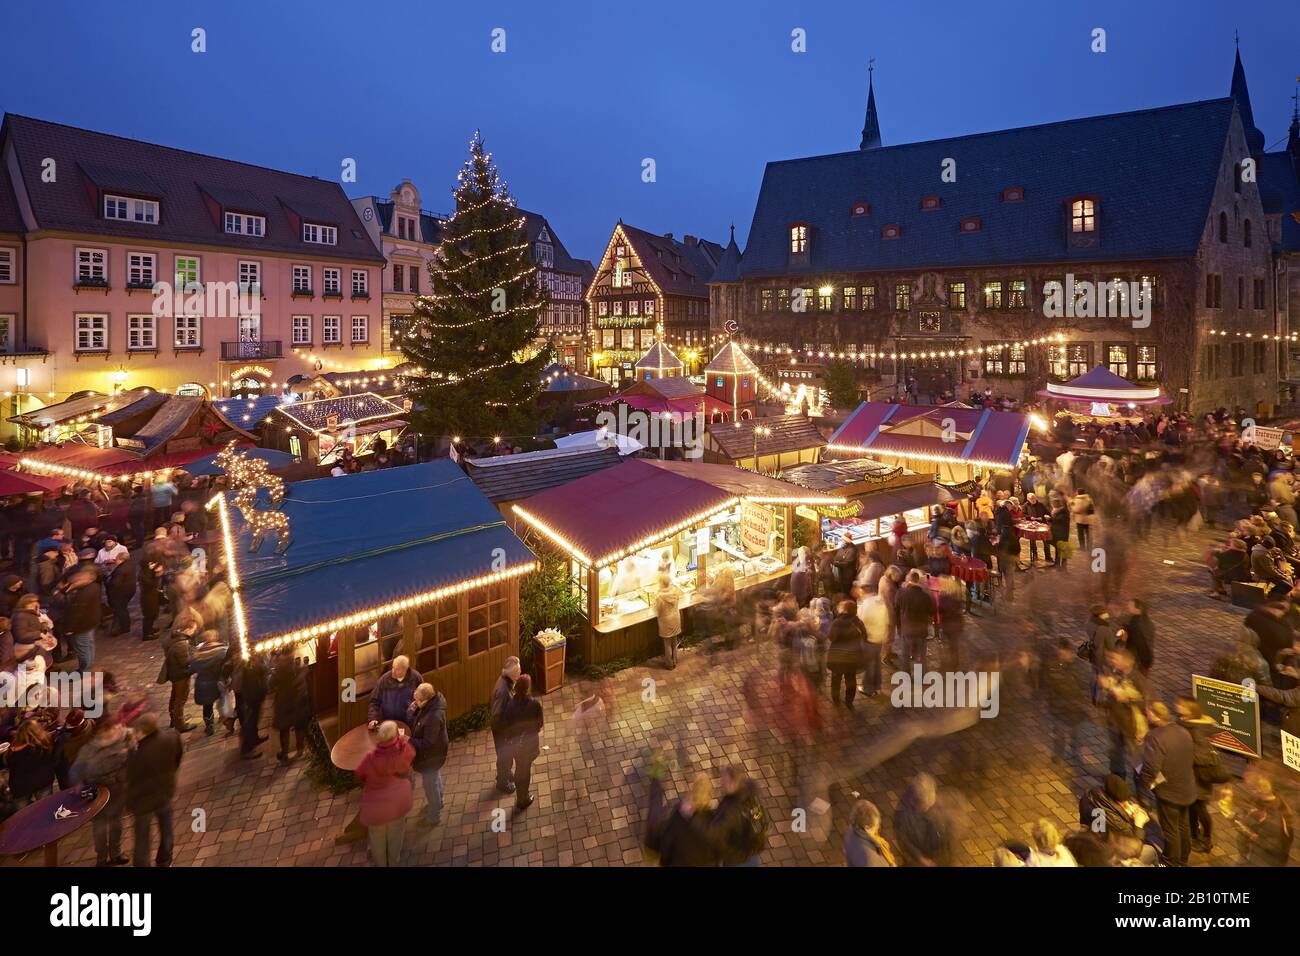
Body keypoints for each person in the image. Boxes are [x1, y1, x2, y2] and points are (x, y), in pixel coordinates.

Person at [1138, 700, 1197, 866]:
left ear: (1156, 716)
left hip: (1169, 792)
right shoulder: (1183, 730)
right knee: (1183, 825)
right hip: (1187, 788)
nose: (1146, 715)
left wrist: (1145, 783)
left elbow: (1151, 767)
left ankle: (1170, 860)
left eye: (1149, 713)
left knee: (1170, 829)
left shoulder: (1155, 737)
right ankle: (1184, 857)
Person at [70, 714, 133, 866]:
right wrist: (78, 783)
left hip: (117, 791)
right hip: (98, 792)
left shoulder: (123, 742)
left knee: (116, 823)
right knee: (99, 826)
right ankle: (102, 858)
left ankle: (116, 853)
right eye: (114, 728)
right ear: (104, 731)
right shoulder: (90, 748)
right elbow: (75, 769)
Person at [125, 711, 184, 867]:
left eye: (137, 732)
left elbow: (130, 777)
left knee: (142, 839)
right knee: (167, 830)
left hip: (142, 802)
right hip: (164, 794)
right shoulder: (172, 737)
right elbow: (178, 758)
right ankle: (165, 861)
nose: (135, 735)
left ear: (144, 731)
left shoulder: (137, 753)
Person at [354, 720, 414, 866]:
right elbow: (411, 755)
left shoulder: (370, 759)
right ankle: (394, 862)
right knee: (396, 836)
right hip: (398, 804)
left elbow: (359, 775)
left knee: (377, 839)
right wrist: (400, 741)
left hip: (376, 809)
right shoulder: (403, 751)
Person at [1175, 697, 1225, 854]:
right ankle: (1194, 833)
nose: (1177, 705)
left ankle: (1206, 839)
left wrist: (1187, 753)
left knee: (1200, 808)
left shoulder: (1196, 730)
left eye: (1181, 704)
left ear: (1190, 710)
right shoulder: (1186, 724)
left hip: (1199, 778)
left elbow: (1202, 756)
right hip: (1191, 777)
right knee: (1192, 807)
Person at [1222, 766, 1294, 866]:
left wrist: (1231, 816)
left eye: (1255, 786)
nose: (1253, 789)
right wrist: (1231, 808)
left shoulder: (1275, 816)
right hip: (1250, 856)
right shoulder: (1260, 801)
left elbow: (1272, 846)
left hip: (1261, 861)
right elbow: (1248, 818)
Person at [645, 771, 717, 866]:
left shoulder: (680, 815)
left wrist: (663, 861)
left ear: (693, 789)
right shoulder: (713, 819)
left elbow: (667, 842)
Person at [407, 682, 448, 827]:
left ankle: (434, 815)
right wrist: (413, 710)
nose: (415, 703)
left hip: (431, 756)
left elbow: (428, 743)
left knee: (430, 784)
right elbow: (417, 721)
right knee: (434, 778)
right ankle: (439, 801)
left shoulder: (433, 717)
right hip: (433, 756)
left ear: (426, 700)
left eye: (417, 701)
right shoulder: (429, 707)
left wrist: (409, 740)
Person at [893, 772, 951, 867]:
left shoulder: (935, 805)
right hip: (916, 860)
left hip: (933, 854)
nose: (929, 803)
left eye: (930, 800)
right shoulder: (904, 814)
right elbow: (903, 838)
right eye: (924, 803)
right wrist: (920, 858)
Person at [504, 673, 543, 811]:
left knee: (521, 767)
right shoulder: (534, 704)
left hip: (515, 745)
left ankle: (521, 793)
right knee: (524, 771)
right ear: (527, 688)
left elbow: (507, 726)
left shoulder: (510, 705)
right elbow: (540, 724)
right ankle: (522, 799)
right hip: (529, 745)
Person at [269, 650, 313, 763]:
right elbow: (300, 677)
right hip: (296, 699)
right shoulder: (294, 664)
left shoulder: (278, 667)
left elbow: (271, 684)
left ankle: (284, 753)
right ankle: (300, 750)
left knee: (284, 729)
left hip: (283, 701)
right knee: (299, 726)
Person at [3, 719, 58, 802]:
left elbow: (8, 763)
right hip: (43, 781)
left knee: (23, 813)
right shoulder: (45, 744)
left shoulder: (14, 752)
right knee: (46, 807)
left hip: (21, 787)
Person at [826, 599, 867, 708]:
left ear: (843, 610)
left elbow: (831, 637)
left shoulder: (836, 622)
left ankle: (835, 699)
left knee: (836, 678)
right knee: (850, 679)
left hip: (837, 656)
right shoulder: (858, 622)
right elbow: (864, 635)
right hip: (852, 657)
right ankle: (849, 701)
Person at [161, 613, 198, 732]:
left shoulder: (173, 637)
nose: (194, 631)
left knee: (174, 696)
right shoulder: (181, 644)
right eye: (193, 629)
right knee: (180, 700)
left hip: (173, 672)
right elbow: (185, 662)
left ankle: (174, 719)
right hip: (181, 675)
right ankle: (180, 724)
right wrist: (195, 655)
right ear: (187, 629)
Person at [490, 657, 521, 793]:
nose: (520, 672)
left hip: (504, 730)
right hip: (502, 731)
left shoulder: (506, 681)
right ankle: (502, 783)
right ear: (512, 673)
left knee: (506, 755)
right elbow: (497, 716)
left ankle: (506, 774)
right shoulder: (503, 691)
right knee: (505, 756)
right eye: (518, 670)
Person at [366, 655, 422, 728]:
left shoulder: (416, 678)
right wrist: (372, 719)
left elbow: (423, 700)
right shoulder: (384, 680)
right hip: (389, 723)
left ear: (405, 669)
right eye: (393, 668)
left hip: (410, 724)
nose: (393, 671)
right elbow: (374, 701)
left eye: (397, 669)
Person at [896, 570, 935, 666]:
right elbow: (931, 611)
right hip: (921, 629)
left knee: (905, 655)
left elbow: (896, 608)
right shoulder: (925, 595)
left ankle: (906, 676)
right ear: (918, 581)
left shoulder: (901, 593)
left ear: (909, 580)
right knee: (921, 656)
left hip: (907, 628)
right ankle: (920, 677)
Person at [190, 635, 227, 736]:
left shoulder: (198, 654)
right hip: (216, 682)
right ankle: (224, 717)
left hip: (202, 684)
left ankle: (209, 725)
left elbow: (192, 667)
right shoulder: (221, 652)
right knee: (222, 700)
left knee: (207, 706)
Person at [843, 799, 897, 867]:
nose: (878, 828)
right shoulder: (870, 858)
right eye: (876, 825)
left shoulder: (851, 829)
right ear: (867, 828)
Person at [653, 572, 683, 670]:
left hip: (666, 621)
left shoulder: (660, 596)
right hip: (675, 618)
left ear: (661, 583)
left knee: (667, 644)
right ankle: (675, 660)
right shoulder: (674, 591)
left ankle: (669, 664)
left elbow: (657, 610)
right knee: (674, 641)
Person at [105, 552, 136, 637]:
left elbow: (115, 584)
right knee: (123, 609)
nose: (116, 561)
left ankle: (124, 627)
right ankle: (125, 626)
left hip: (121, 593)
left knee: (121, 610)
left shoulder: (120, 570)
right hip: (129, 590)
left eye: (117, 559)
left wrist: (109, 583)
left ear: (121, 559)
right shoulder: (130, 565)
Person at [1122, 597, 1155, 675]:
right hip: (1140, 659)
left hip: (1139, 661)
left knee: (1139, 683)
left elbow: (1142, 645)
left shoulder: (1138, 625)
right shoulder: (1141, 619)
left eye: (1130, 606)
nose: (1128, 607)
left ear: (1137, 609)